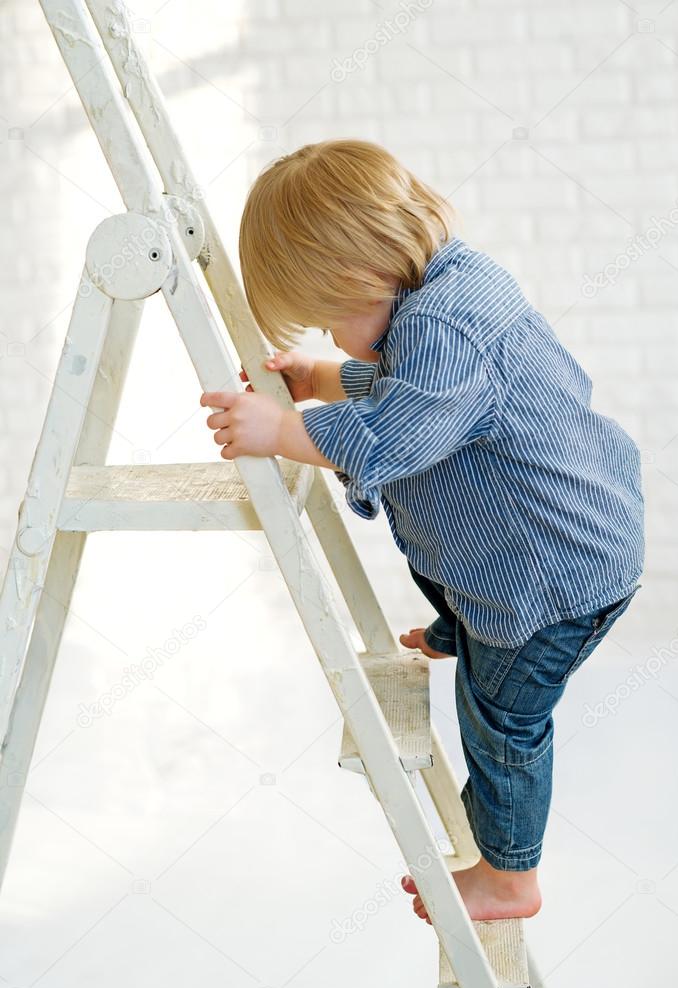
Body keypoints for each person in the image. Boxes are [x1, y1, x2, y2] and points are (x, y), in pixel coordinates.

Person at [200, 138, 645, 923]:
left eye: (333, 319)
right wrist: (322, 380)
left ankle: (510, 878)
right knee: (447, 544)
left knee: (501, 716)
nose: (335, 339)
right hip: (550, 539)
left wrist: (278, 430)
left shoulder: (443, 329)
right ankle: (462, 622)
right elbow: (408, 382)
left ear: (362, 276)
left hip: (552, 575)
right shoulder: (445, 290)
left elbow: (391, 437)